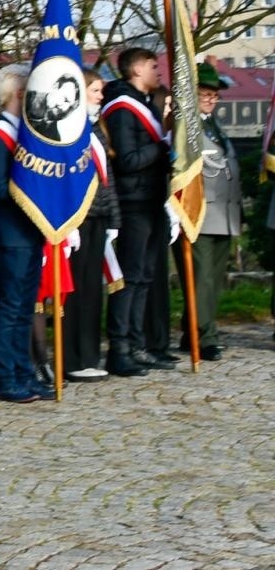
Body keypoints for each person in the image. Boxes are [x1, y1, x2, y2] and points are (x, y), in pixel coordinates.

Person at [100, 47, 175, 375]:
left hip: (151, 199)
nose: (158, 71)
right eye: (153, 66)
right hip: (133, 202)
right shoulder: (122, 108)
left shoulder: (145, 104)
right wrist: (162, 146)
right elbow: (127, 160)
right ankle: (119, 348)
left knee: (145, 276)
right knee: (129, 277)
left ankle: (137, 343)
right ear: (137, 69)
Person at [0, 63, 48, 403]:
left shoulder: (26, 135)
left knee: (25, 307)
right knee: (10, 307)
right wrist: (33, 192)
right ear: (19, 94)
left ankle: (24, 372)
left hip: (30, 231)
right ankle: (6, 377)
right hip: (11, 233)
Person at [175, 62, 240, 361]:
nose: (212, 100)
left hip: (224, 215)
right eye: (205, 94)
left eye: (215, 95)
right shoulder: (186, 127)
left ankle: (192, 331)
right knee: (202, 280)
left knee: (212, 279)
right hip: (199, 212)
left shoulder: (213, 125)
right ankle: (205, 336)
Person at [65, 68, 120, 380]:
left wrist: (114, 219)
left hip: (99, 216)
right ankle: (72, 358)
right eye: (95, 90)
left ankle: (89, 355)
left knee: (91, 291)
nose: (101, 96)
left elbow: (107, 179)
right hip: (79, 219)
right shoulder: (70, 128)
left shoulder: (97, 127)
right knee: (75, 290)